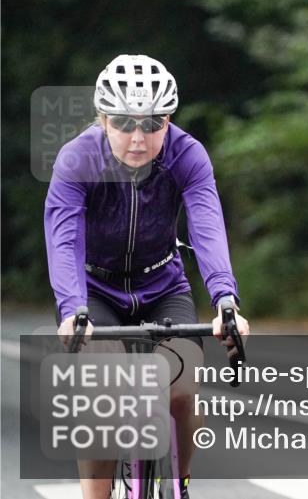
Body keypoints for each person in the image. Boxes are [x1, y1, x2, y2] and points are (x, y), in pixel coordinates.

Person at [45, 54, 250, 499]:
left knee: (182, 391)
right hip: (96, 290)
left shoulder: (187, 154)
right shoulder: (77, 159)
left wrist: (225, 300)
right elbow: (63, 241)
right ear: (102, 118)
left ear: (168, 120)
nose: (138, 137)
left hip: (163, 286)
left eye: (153, 123)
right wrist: (72, 309)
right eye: (123, 122)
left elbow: (207, 226)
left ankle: (179, 483)